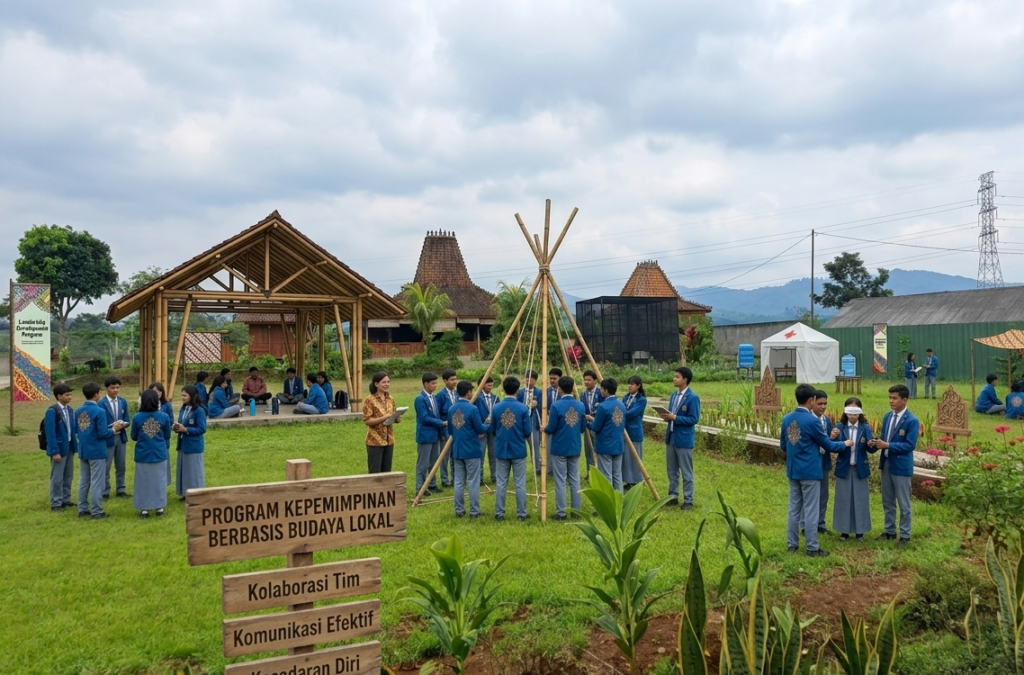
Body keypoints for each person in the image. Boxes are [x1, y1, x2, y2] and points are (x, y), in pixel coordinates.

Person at [780, 384, 851, 557]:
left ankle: (792, 545)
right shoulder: (812, 421)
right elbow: (827, 444)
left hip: (792, 469)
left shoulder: (787, 418)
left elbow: (783, 445)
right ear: (811, 400)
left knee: (794, 508)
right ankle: (812, 547)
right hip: (810, 471)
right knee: (811, 509)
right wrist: (844, 444)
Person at [870, 384, 919, 547]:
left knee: (903, 503)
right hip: (886, 464)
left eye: (895, 398)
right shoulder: (887, 417)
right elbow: (885, 438)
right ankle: (889, 531)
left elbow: (909, 445)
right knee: (887, 500)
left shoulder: (911, 420)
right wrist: (876, 442)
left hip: (901, 466)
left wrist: (888, 445)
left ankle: (905, 535)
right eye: (889, 398)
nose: (891, 401)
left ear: (904, 400)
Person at [830, 397, 876, 541]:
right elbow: (833, 446)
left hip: (860, 468)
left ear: (860, 413)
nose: (852, 416)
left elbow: (871, 448)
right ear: (845, 412)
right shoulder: (840, 427)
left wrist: (871, 444)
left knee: (860, 500)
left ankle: (860, 531)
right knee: (843, 500)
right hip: (844, 467)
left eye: (855, 413)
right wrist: (840, 442)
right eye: (850, 412)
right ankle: (844, 531)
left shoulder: (865, 428)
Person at [491, 376, 532, 522]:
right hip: (518, 450)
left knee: (501, 482)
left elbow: (493, 429)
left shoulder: (496, 407)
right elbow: (528, 431)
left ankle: (499, 513)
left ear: (503, 389)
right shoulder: (522, 408)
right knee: (519, 483)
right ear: (517, 390)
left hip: (501, 449)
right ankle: (521, 513)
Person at [660, 366, 701, 510]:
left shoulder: (692, 397)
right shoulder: (673, 396)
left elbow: (693, 419)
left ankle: (688, 500)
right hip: (671, 437)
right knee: (671, 469)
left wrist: (675, 418)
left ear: (685, 380)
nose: (674, 379)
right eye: (674, 376)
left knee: (686, 471)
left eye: (677, 377)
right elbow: (672, 414)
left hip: (684, 439)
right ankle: (673, 496)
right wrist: (668, 417)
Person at [546, 375, 586, 520]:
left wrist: (544, 428)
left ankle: (561, 512)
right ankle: (576, 511)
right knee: (575, 479)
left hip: (559, 448)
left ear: (560, 389)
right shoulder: (580, 405)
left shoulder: (556, 406)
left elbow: (551, 428)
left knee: (560, 480)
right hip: (574, 446)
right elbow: (582, 428)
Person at [448, 380, 488, 518]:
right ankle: (474, 511)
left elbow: (451, 430)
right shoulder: (472, 409)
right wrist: (489, 425)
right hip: (471, 450)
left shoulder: (451, 409)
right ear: (469, 392)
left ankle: (459, 510)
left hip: (457, 450)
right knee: (473, 481)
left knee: (459, 481)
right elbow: (480, 428)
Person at [76, 382, 116, 519]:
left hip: (83, 449)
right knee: (97, 481)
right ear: (96, 394)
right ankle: (97, 511)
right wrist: (114, 430)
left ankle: (82, 508)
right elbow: (103, 433)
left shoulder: (78, 410)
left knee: (84, 480)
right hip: (97, 451)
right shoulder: (99, 411)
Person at [131, 390, 172, 518]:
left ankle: (144, 508)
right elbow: (167, 435)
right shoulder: (164, 417)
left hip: (143, 453)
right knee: (159, 480)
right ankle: (159, 507)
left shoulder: (137, 417)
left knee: (143, 481)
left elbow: (134, 436)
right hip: (159, 452)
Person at [587, 378, 626, 492]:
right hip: (618, 444)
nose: (600, 391)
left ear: (606, 390)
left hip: (605, 445)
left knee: (606, 476)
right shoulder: (621, 405)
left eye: (602, 389)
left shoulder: (603, 406)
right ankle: (619, 501)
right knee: (617, 475)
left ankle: (608, 503)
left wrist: (588, 422)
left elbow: (596, 427)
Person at [44, 383, 77, 511]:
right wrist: (54, 451)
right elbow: (50, 433)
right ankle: (56, 502)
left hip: (69, 447)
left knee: (68, 475)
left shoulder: (69, 410)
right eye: (67, 395)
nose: (70, 397)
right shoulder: (52, 411)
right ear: (59, 396)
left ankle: (66, 499)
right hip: (59, 448)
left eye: (70, 394)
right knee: (57, 477)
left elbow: (72, 429)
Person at [173, 384, 207, 500]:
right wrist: (177, 428)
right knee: (184, 470)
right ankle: (185, 493)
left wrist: (186, 429)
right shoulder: (183, 408)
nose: (182, 397)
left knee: (194, 472)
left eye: (185, 395)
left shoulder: (199, 411)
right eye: (181, 395)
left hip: (194, 445)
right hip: (183, 444)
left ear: (192, 396)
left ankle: (197, 494)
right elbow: (182, 423)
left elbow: (202, 429)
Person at [363, 371, 400, 473]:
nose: (387, 384)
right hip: (375, 441)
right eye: (384, 382)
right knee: (375, 472)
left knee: (387, 472)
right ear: (376, 384)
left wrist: (396, 418)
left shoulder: (390, 399)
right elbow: (367, 420)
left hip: (389, 440)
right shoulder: (369, 400)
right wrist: (383, 418)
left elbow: (392, 415)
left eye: (388, 382)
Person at [414, 372, 444, 495]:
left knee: (433, 461)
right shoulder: (420, 399)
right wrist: (441, 423)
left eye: (436, 383)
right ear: (426, 384)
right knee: (423, 463)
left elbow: (436, 414)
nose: (435, 385)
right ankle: (420, 488)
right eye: (433, 383)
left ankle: (431, 484)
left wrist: (440, 430)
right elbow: (424, 418)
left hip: (435, 435)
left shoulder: (434, 398)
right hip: (425, 436)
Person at [102, 376, 131, 499]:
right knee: (106, 465)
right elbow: (100, 424)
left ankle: (121, 488)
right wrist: (112, 427)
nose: (115, 390)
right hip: (108, 437)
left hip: (121, 437)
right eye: (112, 388)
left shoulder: (122, 401)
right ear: (107, 389)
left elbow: (127, 420)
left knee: (121, 465)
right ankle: (105, 491)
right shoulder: (101, 403)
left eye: (118, 388)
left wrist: (123, 424)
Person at [811, 390, 833, 536]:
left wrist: (832, 437)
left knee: (823, 494)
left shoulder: (827, 421)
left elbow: (828, 442)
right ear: (812, 403)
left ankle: (820, 523)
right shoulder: (808, 420)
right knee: (810, 495)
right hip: (812, 462)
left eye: (825, 403)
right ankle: (807, 524)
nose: (823, 407)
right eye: (820, 404)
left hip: (824, 460)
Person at [621, 375, 647, 491]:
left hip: (634, 431)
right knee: (626, 458)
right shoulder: (626, 397)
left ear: (638, 386)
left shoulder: (641, 400)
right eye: (629, 383)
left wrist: (620, 413)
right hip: (624, 431)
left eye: (632, 384)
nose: (629, 386)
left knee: (635, 457)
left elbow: (632, 413)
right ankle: (628, 480)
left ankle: (636, 480)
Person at [516, 369, 543, 476]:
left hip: (534, 423)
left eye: (530, 380)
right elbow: (517, 406)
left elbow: (542, 408)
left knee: (535, 446)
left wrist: (537, 406)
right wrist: (528, 406)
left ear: (535, 381)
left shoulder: (539, 393)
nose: (528, 382)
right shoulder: (520, 393)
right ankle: (519, 468)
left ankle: (538, 468)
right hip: (521, 423)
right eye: (526, 379)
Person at [437, 369, 459, 487]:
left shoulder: (457, 394)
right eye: (452, 380)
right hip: (445, 429)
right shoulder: (440, 396)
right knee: (445, 456)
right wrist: (441, 432)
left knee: (455, 455)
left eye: (455, 379)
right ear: (445, 381)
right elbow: (438, 414)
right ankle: (445, 480)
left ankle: (455, 478)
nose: (454, 382)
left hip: (457, 429)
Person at [475, 375, 498, 485]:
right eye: (487, 382)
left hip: (493, 430)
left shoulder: (495, 398)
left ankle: (495, 476)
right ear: (481, 384)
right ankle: (479, 478)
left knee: (494, 453)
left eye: (491, 382)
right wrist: (480, 427)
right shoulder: (476, 398)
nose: (490, 384)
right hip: (481, 431)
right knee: (481, 453)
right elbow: (475, 414)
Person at [150, 382, 174, 487]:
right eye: (155, 391)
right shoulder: (147, 404)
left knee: (164, 461)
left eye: (160, 391)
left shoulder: (166, 405)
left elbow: (171, 420)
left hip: (163, 437)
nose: (158, 393)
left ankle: (164, 483)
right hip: (150, 438)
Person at [580, 370, 602, 476]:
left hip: (597, 425)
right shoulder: (582, 394)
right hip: (587, 425)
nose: (586, 382)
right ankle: (590, 472)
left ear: (595, 381)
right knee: (588, 449)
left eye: (589, 380)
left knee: (597, 448)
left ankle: (599, 472)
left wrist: (593, 418)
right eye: (585, 380)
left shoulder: (600, 393)